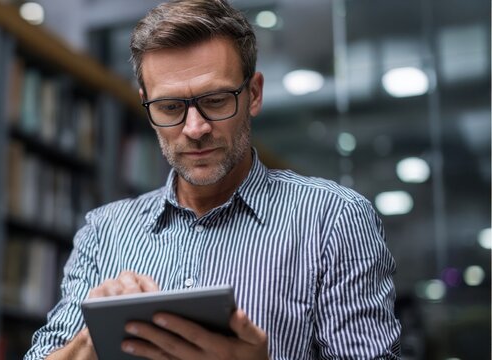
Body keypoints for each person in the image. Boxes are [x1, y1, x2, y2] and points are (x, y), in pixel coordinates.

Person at [25, 0, 401, 359]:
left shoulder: (334, 220)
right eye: (170, 107)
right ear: (147, 104)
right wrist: (95, 336)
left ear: (253, 94)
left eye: (216, 100)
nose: (195, 128)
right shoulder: (105, 232)